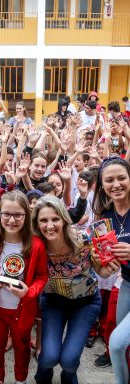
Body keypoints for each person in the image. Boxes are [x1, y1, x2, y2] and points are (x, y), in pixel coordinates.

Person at [31, 195, 120, 384]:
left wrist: (108, 268)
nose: (50, 225)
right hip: (53, 302)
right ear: (36, 224)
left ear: (64, 219)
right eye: (43, 220)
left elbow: (101, 273)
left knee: (70, 361)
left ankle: (69, 375)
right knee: (48, 358)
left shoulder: (84, 239)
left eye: (55, 219)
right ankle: (43, 375)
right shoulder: (35, 246)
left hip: (86, 303)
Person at [0, 190, 48, 384]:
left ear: (27, 215)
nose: (12, 220)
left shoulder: (36, 245)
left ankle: (20, 380)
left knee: (22, 346)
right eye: (6, 214)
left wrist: (29, 292)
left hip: (22, 308)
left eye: (18, 215)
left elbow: (42, 276)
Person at [92, 156, 130, 384]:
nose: (116, 184)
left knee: (116, 343)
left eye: (121, 178)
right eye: (109, 180)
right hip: (126, 284)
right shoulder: (105, 218)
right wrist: (102, 264)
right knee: (124, 347)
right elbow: (105, 273)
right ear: (102, 185)